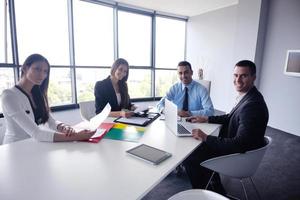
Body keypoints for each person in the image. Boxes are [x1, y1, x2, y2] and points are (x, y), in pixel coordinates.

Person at [183, 60, 269, 195]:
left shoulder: (252, 106)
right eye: (235, 75)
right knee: (198, 148)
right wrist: (207, 118)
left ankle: (202, 194)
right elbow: (230, 117)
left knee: (191, 156)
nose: (238, 80)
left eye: (244, 76)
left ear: (254, 77)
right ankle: (213, 185)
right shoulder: (250, 97)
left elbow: (240, 144)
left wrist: (206, 138)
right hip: (242, 150)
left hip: (239, 157)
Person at [1, 54, 96, 144]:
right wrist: (76, 137)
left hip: (34, 144)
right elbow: (37, 133)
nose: (42, 75)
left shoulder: (37, 93)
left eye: (45, 71)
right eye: (37, 69)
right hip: (15, 147)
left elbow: (49, 121)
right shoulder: (9, 96)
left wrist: (63, 127)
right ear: (25, 68)